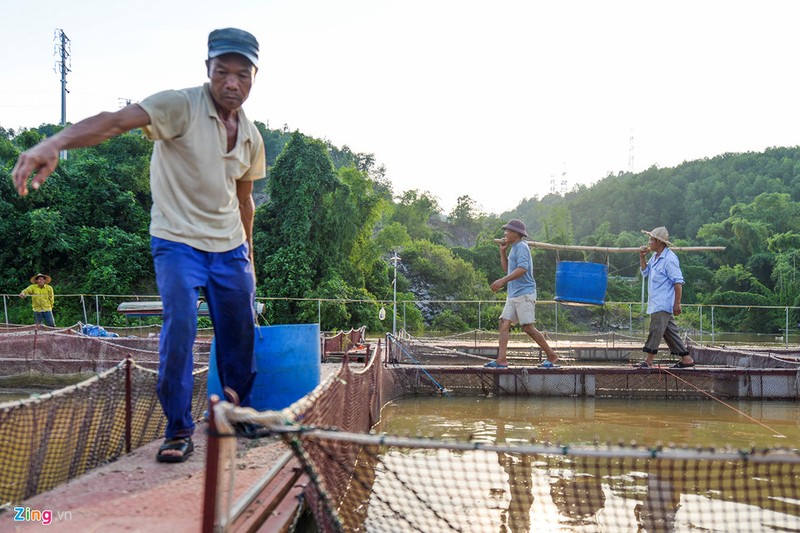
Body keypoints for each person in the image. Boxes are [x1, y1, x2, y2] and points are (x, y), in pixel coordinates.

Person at [11, 28, 265, 463]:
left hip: (230, 248)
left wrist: (250, 260)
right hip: (177, 241)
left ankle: (235, 410)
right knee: (181, 325)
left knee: (241, 331)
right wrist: (54, 142)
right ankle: (178, 428)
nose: (231, 83)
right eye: (222, 71)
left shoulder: (250, 136)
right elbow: (113, 122)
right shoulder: (178, 105)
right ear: (208, 69)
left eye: (242, 75)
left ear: (254, 77)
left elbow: (244, 201)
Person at [487, 219, 559, 368]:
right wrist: (502, 252)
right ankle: (501, 359)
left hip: (524, 293)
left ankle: (551, 356)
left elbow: (522, 269)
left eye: (507, 231)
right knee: (504, 323)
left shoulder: (522, 247)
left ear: (516, 233)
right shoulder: (514, 248)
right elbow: (508, 269)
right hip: (513, 294)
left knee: (527, 327)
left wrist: (502, 281)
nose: (505, 233)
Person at [635, 227, 695, 369]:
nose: (649, 242)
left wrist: (677, 303)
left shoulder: (669, 259)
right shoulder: (655, 258)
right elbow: (645, 272)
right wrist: (642, 257)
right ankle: (686, 359)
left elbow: (678, 282)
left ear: (659, 242)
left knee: (655, 330)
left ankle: (648, 361)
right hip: (656, 302)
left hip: (664, 303)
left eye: (651, 239)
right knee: (670, 333)